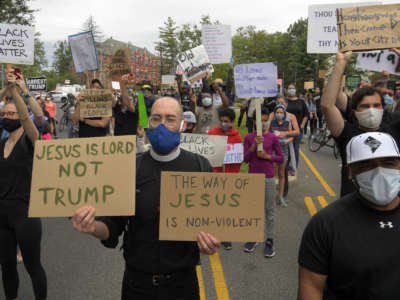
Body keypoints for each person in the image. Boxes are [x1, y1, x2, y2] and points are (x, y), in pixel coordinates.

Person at [71, 97, 221, 300]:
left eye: (170, 119)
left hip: (182, 284)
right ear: (148, 122)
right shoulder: (131, 167)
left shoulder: (200, 166)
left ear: (182, 125)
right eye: (156, 118)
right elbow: (112, 226)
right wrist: (92, 228)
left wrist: (210, 242)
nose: (162, 125)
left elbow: (212, 222)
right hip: (138, 284)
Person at [298, 132, 400, 300]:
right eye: (366, 165)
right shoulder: (325, 225)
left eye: (389, 162)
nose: (379, 172)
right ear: (350, 172)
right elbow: (311, 288)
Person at [321, 51, 400, 197]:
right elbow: (327, 105)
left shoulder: (394, 128)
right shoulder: (347, 134)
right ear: (354, 111)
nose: (371, 110)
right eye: (365, 106)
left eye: (376, 105)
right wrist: (340, 63)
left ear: (383, 108)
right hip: (354, 207)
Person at [0, 68, 47, 300]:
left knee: (32, 266)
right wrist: (7, 88)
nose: (7, 117)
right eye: (4, 114)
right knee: (6, 266)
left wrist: (19, 92)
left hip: (26, 212)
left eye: (12, 114)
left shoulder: (30, 140)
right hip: (2, 214)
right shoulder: (2, 143)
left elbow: (31, 119)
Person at [243, 108, 284, 257]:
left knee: (269, 210)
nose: (264, 123)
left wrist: (267, 157)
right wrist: (254, 145)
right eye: (261, 120)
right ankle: (254, 237)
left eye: (266, 120)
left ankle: (270, 240)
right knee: (254, 209)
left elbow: (281, 158)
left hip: (268, 177)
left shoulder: (273, 138)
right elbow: (246, 159)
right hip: (253, 177)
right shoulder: (249, 137)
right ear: (254, 122)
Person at [208, 107, 242, 250]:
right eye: (221, 121)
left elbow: (238, 160)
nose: (223, 123)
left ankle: (225, 236)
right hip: (214, 175)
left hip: (229, 177)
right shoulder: (212, 133)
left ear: (232, 122)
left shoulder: (237, 137)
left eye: (226, 121)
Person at [269, 104, 294, 207]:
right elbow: (269, 136)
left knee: (282, 174)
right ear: (275, 114)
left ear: (284, 113)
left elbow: (291, 136)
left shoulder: (288, 123)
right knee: (271, 174)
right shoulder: (271, 123)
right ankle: (270, 197)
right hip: (274, 151)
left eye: (281, 112)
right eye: (277, 112)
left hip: (283, 151)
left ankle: (280, 197)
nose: (279, 114)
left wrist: (285, 141)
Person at [286, 84, 308, 168]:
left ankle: (294, 167)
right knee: (286, 149)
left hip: (298, 130)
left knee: (295, 148)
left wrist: (302, 125)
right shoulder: (285, 101)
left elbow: (306, 115)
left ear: (295, 90)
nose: (291, 90)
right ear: (287, 90)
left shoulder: (301, 102)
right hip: (286, 130)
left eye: (292, 88)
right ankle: (286, 166)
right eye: (289, 88)